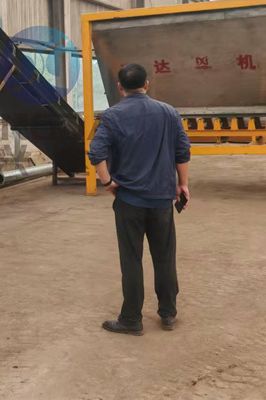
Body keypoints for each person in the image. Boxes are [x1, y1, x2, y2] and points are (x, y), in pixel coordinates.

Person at [87, 63, 191, 336]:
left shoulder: (113, 115)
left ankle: (131, 319)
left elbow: (96, 152)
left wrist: (107, 182)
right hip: (162, 201)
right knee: (165, 258)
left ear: (119, 87)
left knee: (131, 259)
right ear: (147, 84)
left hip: (129, 201)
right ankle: (168, 314)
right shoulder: (169, 112)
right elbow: (182, 150)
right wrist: (182, 185)